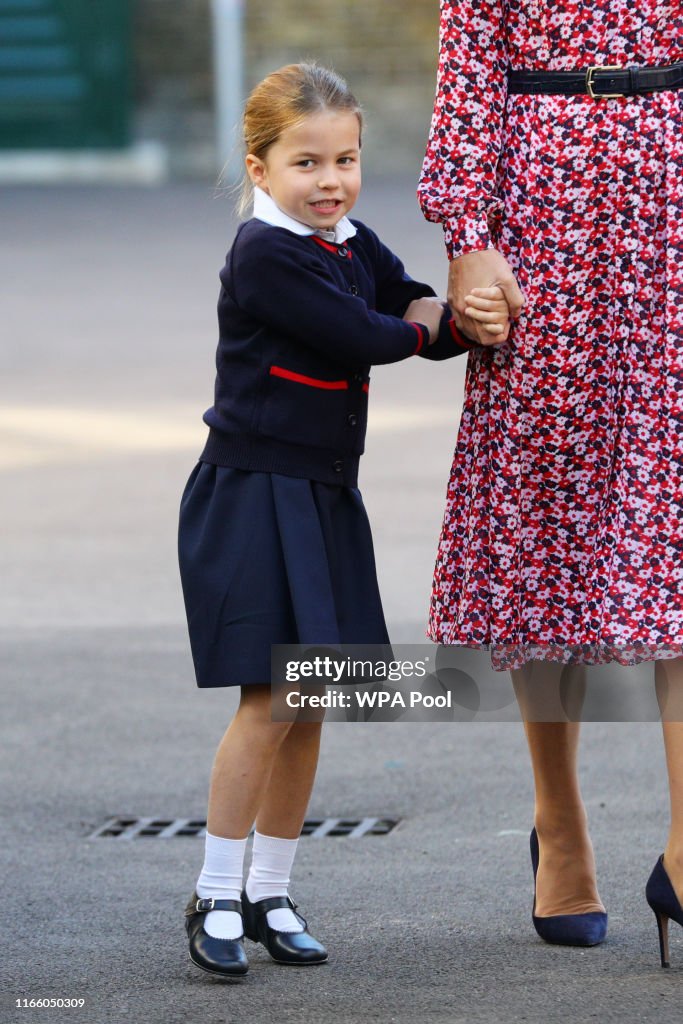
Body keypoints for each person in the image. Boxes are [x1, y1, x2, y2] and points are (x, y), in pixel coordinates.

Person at [177, 61, 509, 979]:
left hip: (322, 495)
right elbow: (368, 331)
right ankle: (212, 893)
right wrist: (454, 325)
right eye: (307, 163)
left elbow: (400, 294)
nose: (330, 181)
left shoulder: (346, 239)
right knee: (265, 701)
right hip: (252, 494)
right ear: (260, 167)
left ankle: (269, 892)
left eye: (347, 159)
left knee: (313, 694)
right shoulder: (265, 254)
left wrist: (456, 316)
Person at [418, 1, 683, 965]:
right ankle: (559, 821)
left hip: (671, 201)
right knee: (545, 512)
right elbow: (467, 74)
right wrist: (467, 235)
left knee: (676, 517)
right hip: (539, 221)